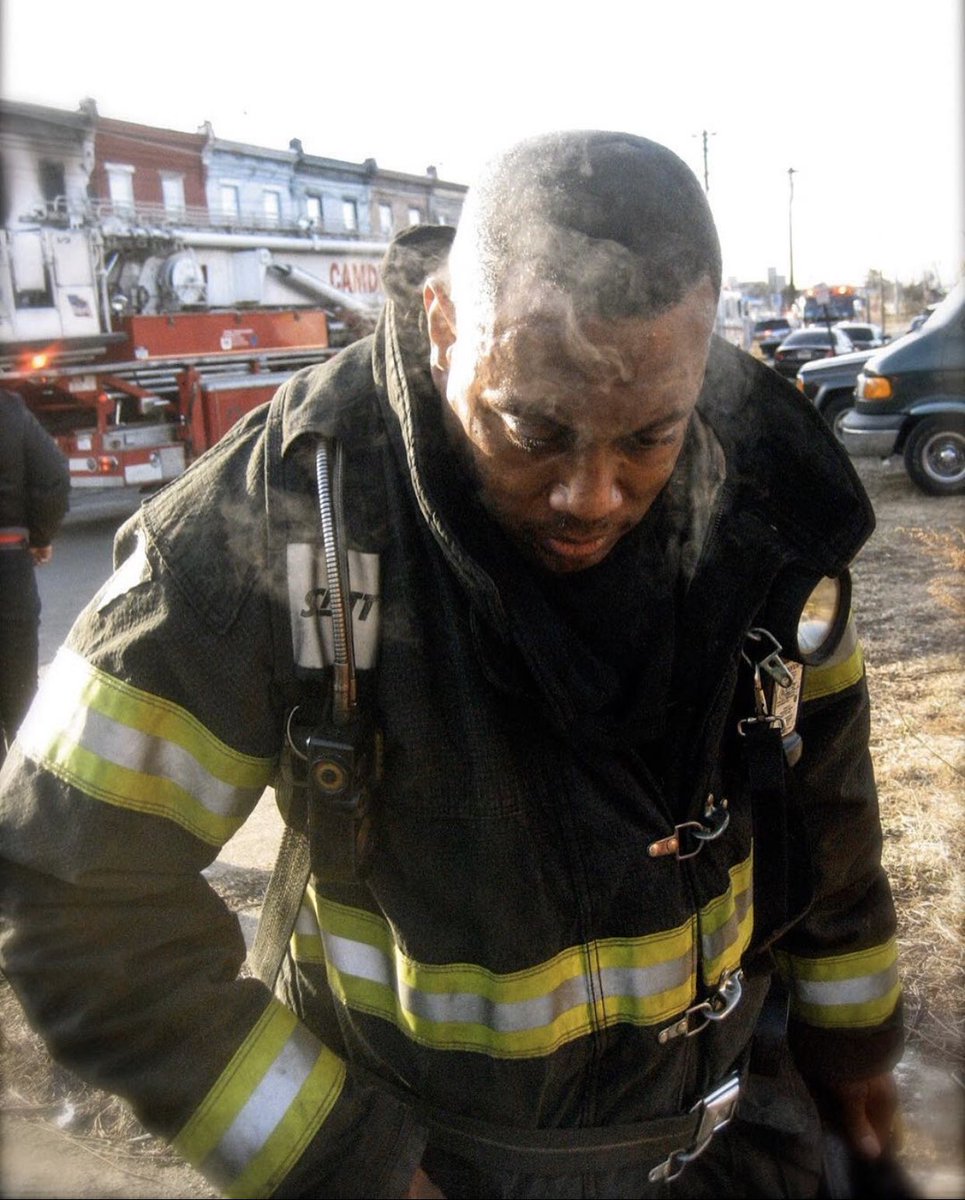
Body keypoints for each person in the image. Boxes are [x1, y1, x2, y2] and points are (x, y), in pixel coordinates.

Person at [0, 131, 905, 1199]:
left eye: (646, 439)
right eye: (533, 430)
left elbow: (824, 792)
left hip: (738, 1150)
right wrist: (347, 1166)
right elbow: (70, 895)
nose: (590, 496)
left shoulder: (766, 506)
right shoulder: (288, 521)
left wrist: (852, 1046)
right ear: (441, 323)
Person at [0, 389, 70, 766]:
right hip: (9, 565)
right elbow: (53, 478)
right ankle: (20, 790)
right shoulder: (9, 410)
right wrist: (40, 537)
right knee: (20, 697)